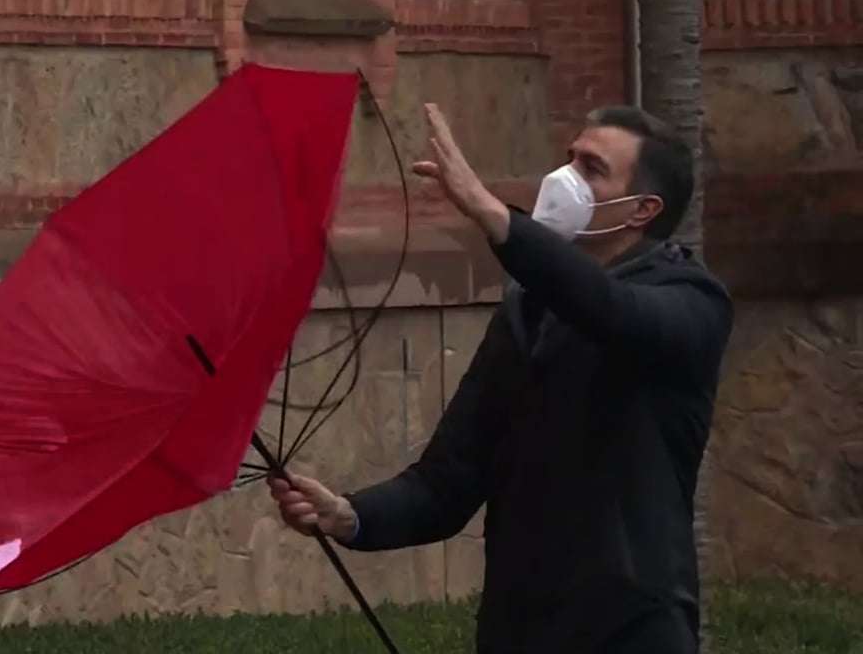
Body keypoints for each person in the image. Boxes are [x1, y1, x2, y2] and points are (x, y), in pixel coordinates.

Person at [269, 103, 733, 654]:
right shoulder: (526, 313)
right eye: (569, 159)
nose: (563, 178)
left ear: (642, 210)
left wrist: (493, 214)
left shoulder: (691, 302)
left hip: (631, 630)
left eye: (591, 167)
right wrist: (350, 516)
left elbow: (609, 309)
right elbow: (446, 482)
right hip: (519, 630)